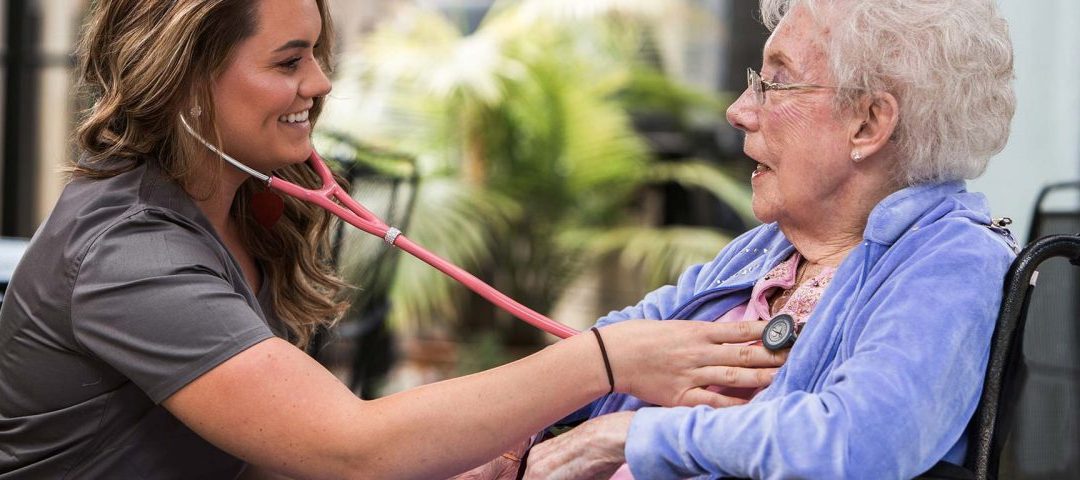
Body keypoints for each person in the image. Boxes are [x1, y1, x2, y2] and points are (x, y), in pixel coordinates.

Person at [0, 1, 790, 478]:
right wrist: (608, 359)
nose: (320, 83)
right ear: (186, 80)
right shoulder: (130, 253)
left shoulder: (236, 214)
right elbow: (352, 448)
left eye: (317, 52)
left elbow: (254, 455)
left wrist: (451, 460)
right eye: (289, 60)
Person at [498, 0, 1020, 478]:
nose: (739, 111)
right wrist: (505, 438)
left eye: (775, 83)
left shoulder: (950, 259)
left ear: (867, 123)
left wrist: (633, 435)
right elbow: (611, 346)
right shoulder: (772, 249)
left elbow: (858, 442)